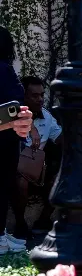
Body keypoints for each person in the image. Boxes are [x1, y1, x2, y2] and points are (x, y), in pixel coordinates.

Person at [13, 76, 62, 242]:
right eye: (34, 95)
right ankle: (20, 224)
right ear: (24, 96)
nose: (40, 99)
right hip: (15, 170)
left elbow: (60, 138)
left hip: (38, 170)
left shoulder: (47, 117)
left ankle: (43, 221)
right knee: (21, 180)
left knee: (61, 179)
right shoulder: (12, 115)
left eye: (42, 95)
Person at [0, 27, 33, 253]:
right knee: (2, 186)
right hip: (4, 140)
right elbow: (14, 105)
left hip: (8, 136)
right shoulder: (4, 70)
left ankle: (2, 234)